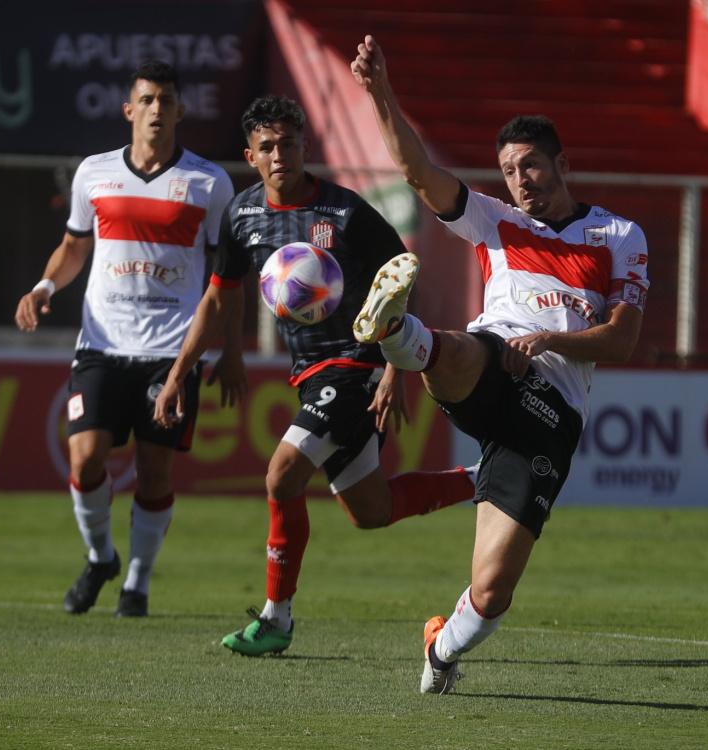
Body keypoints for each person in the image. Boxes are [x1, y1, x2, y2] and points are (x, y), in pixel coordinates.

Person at [350, 34, 649, 693]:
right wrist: (380, 93)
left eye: (532, 166)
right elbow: (418, 172)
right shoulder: (494, 220)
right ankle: (398, 330)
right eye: (510, 170)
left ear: (561, 162)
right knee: (459, 347)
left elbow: (622, 341)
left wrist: (552, 342)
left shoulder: (620, 236)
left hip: (552, 410)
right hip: (493, 366)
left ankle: (441, 648)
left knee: (491, 594)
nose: (520, 180)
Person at [154, 94, 476, 656]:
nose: (281, 153)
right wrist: (183, 369)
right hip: (311, 375)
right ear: (250, 155)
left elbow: (403, 281)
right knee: (370, 511)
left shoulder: (346, 212)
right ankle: (485, 478)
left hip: (357, 363)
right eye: (268, 146)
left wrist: (393, 369)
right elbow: (216, 297)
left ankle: (276, 619)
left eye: (290, 142)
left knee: (282, 475)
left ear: (306, 145)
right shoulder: (243, 215)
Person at [14, 60, 245, 618]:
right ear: (129, 110)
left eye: (167, 100)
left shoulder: (211, 183)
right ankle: (100, 558)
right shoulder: (93, 173)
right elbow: (73, 248)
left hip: (172, 353)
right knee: (87, 458)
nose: (157, 110)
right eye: (147, 100)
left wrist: (231, 350)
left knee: (156, 469)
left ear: (181, 111)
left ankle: (137, 583)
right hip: (101, 343)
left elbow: (228, 278)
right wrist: (45, 285)